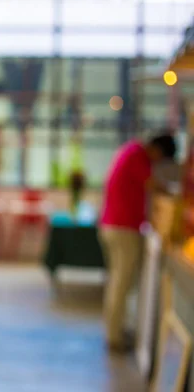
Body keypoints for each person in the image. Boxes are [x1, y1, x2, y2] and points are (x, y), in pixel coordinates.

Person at [99, 132, 177, 352]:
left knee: (119, 282)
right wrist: (175, 193)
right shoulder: (136, 155)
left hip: (117, 225)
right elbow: (153, 184)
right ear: (157, 150)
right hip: (122, 228)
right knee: (121, 284)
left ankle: (116, 330)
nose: (157, 163)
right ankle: (114, 336)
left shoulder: (131, 150)